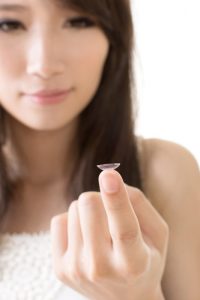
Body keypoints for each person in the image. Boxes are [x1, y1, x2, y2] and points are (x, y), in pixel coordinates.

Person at [0, 0, 199, 299]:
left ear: (113, 36)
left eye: (78, 22)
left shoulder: (164, 172)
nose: (44, 65)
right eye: (9, 24)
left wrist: (139, 294)